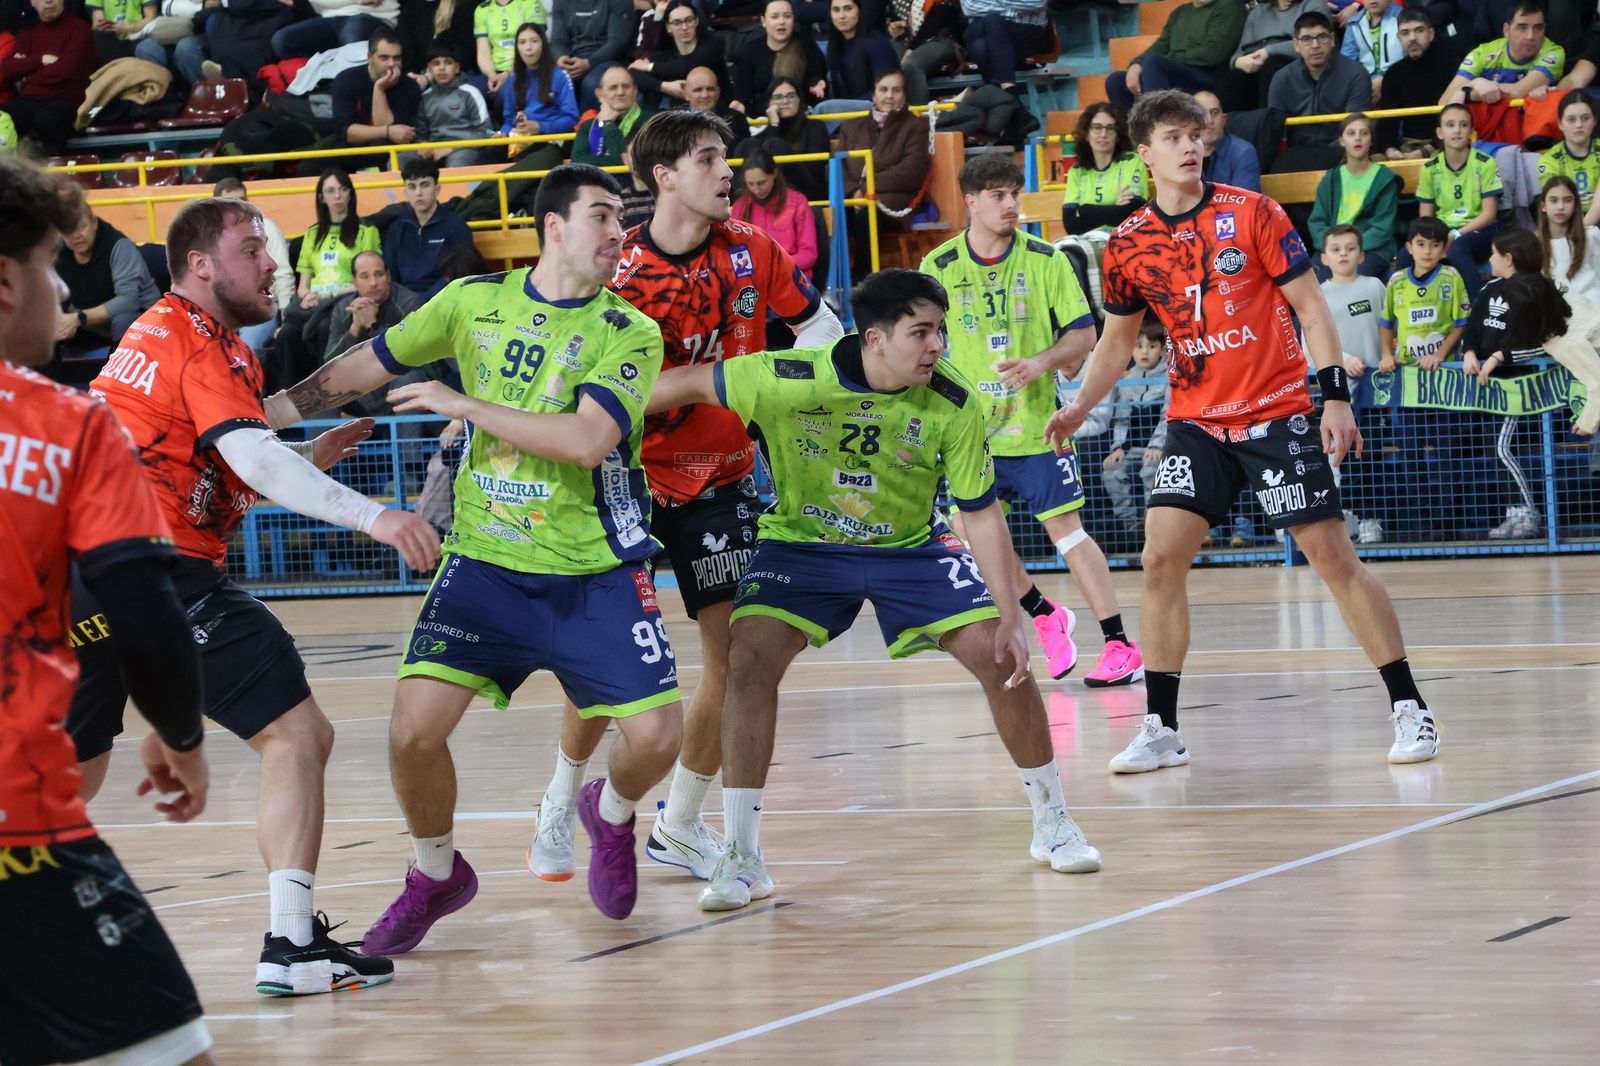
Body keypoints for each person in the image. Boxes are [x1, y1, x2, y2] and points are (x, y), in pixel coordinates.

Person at [267, 163, 684, 940]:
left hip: (594, 569)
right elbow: (363, 366)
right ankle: (436, 874)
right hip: (485, 562)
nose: (617, 233)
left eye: (620, 220)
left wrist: (463, 404)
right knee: (410, 733)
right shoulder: (471, 303)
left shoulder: (629, 331)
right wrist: (266, 416)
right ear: (553, 226)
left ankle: (611, 809)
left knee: (660, 738)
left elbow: (589, 441)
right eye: (601, 217)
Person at [641, 268, 1104, 911]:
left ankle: (1053, 820)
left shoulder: (954, 400)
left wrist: (1010, 613)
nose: (938, 344)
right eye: (922, 332)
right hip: (802, 546)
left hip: (909, 549)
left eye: (940, 329)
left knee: (1003, 658)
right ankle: (743, 858)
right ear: (875, 338)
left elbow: (981, 513)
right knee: (746, 659)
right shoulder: (785, 377)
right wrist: (587, 416)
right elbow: (684, 383)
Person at [73, 194, 439, 995]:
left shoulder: (167, 335)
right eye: (252, 248)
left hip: (77, 572)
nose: (273, 263)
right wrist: (374, 516)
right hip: (155, 568)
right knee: (297, 735)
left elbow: (229, 447)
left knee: (71, 776)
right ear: (201, 265)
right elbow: (254, 458)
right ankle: (291, 943)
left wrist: (303, 453)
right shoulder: (199, 343)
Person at [1044, 90, 1441, 773]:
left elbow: (1312, 309)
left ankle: (1410, 707)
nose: (1190, 146)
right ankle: (1162, 727)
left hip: (1279, 411)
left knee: (1332, 560)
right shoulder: (1129, 244)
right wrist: (1080, 407)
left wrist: (1334, 399)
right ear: (1144, 154)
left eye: (1195, 135)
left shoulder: (1252, 212)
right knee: (1160, 559)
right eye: (1172, 137)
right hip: (1196, 421)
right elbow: (1116, 343)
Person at [530, 111, 843, 884]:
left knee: (734, 657)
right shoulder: (617, 269)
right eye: (708, 159)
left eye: (725, 158)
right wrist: (700, 381)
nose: (726, 171)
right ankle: (559, 798)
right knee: (608, 668)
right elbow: (581, 403)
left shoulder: (753, 249)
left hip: (722, 475)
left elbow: (819, 331)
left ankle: (679, 821)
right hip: (623, 479)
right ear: (664, 177)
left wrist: (820, 391)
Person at [0, 153, 216, 1066]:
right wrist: (183, 734)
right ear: (5, 282)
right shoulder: (68, 423)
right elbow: (143, 607)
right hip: (19, 833)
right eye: (52, 263)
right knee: (173, 1051)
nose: (62, 286)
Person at [922, 154, 1144, 687]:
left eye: (1014, 194)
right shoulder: (939, 267)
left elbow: (1084, 336)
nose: (1011, 204)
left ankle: (1119, 644)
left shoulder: (1047, 260)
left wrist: (1039, 362)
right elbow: (924, 343)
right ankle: (1045, 614)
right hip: (972, 433)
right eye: (998, 195)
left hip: (1038, 426)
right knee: (969, 533)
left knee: (1067, 534)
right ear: (971, 202)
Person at [1378, 217, 1471, 539]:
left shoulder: (1451, 277)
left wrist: (1441, 355)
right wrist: (1386, 354)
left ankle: (1449, 524)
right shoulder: (1397, 282)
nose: (1427, 251)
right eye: (1420, 244)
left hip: (1444, 386)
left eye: (1434, 245)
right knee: (1411, 455)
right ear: (1409, 248)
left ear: (1444, 249)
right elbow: (1386, 322)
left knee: (1447, 455)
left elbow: (1461, 322)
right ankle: (1422, 522)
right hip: (1409, 387)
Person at [1460, 229, 1550, 539]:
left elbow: (1543, 342)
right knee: (1493, 450)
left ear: (1508, 259)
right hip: (1488, 388)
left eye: (1494, 255)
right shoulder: (1489, 289)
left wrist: (1500, 355)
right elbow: (1472, 329)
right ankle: (1514, 512)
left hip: (1517, 386)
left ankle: (1530, 511)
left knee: (1503, 448)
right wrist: (1469, 352)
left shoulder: (1537, 291)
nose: (1489, 260)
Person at [1319, 223, 1388, 544]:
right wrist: (1343, 358)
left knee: (1369, 454)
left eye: (1349, 248)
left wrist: (1390, 353)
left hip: (1377, 390)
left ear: (1362, 255)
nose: (1343, 253)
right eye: (1336, 249)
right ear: (1324, 258)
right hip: (1338, 392)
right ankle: (1347, 519)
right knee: (1340, 457)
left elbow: (1391, 326)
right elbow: (1310, 341)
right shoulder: (1318, 295)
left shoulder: (1375, 286)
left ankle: (1372, 519)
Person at [47, 199, 160, 385]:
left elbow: (128, 301)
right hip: (86, 323)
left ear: (94, 223)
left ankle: (115, 389)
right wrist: (59, 321)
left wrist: (77, 319)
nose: (76, 235)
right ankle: (46, 395)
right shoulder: (57, 251)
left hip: (136, 319)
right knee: (44, 327)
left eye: (81, 227)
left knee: (123, 319)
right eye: (68, 230)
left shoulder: (119, 246)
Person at [1403, 102, 1500, 298]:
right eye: (1450, 125)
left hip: (1478, 230)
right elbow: (1425, 219)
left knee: (1458, 249)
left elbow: (1489, 214)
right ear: (1440, 132)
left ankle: (1476, 309)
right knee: (1406, 253)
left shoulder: (1485, 163)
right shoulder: (1430, 168)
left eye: (1463, 125)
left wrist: (1455, 234)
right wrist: (1432, 237)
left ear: (1472, 131)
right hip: (1442, 230)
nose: (1457, 130)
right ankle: (1410, 308)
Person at [1267, 11, 1372, 172]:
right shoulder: (1282, 79)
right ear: (1296, 45)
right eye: (1307, 39)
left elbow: (1356, 127)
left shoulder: (1356, 74)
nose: (1315, 45)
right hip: (1297, 152)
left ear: (1332, 40)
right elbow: (1275, 131)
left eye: (1322, 37)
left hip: (1341, 151)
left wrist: (1322, 156)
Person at [1100, 320, 1172, 542]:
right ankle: (1131, 527)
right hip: (1133, 449)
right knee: (1111, 471)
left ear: (1162, 349)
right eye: (1139, 346)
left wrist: (1157, 446)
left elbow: (1167, 416)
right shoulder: (1126, 380)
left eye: (1151, 346)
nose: (1144, 352)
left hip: (1162, 448)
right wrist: (1118, 448)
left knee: (1151, 469)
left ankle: (1155, 529)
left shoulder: (1170, 377)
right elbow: (1121, 419)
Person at [1107, 0, 1247, 112]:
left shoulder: (1230, 6)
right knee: (1116, 81)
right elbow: (1160, 46)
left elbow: (1214, 53)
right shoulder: (1180, 13)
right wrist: (1137, 64)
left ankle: (1158, 126)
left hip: (1209, 77)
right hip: (1172, 73)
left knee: (1156, 64)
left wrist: (1169, 58)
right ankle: (1132, 140)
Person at [1308, 113, 1399, 279]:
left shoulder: (1385, 179)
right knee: (1314, 279)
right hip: (1333, 248)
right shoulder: (1332, 178)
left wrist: (1351, 248)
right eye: (1351, 134)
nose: (1358, 138)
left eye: (1364, 133)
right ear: (1342, 141)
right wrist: (1335, 247)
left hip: (1370, 248)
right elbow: (1317, 222)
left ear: (1371, 140)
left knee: (1356, 277)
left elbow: (1382, 228)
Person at [213, 177, 295, 358]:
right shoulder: (209, 237)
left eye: (243, 200)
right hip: (222, 308)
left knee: (246, 350)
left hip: (259, 307)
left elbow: (282, 275)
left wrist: (287, 321)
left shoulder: (267, 230)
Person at [0, 0, 95, 154]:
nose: (48, 1)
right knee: (3, 116)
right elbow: (8, 69)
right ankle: (9, 171)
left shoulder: (80, 29)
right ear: (32, 3)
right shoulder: (28, 33)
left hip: (66, 99)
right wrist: (41, 60)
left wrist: (28, 73)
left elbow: (67, 69)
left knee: (47, 118)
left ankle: (57, 171)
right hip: (29, 100)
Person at [1438, 0, 1563, 107]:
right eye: (1522, 27)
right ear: (1506, 30)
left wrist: (1470, 90)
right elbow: (1444, 101)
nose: (1530, 36)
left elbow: (1517, 91)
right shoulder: (1482, 54)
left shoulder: (1553, 53)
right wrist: (1476, 84)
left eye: (1538, 28)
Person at [382, 158, 474, 301]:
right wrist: (405, 303)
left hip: (443, 301)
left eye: (425, 185)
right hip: (404, 305)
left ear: (437, 189)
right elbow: (391, 276)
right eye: (412, 187)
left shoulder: (456, 226)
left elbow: (457, 275)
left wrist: (422, 301)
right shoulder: (396, 229)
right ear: (405, 191)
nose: (418, 193)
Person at [1376, 5, 1461, 156]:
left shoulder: (1453, 65)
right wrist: (1390, 150)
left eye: (1419, 30)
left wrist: (1424, 151)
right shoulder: (1393, 74)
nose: (1412, 38)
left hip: (1447, 142)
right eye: (1405, 33)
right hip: (1407, 145)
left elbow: (1459, 118)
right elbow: (1386, 125)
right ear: (1399, 38)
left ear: (1431, 34)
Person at [1215, 0, 1321, 111]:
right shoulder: (1257, 12)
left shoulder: (1312, 5)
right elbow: (1241, 50)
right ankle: (1234, 125)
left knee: (1273, 64)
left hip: (1292, 62)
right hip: (1256, 61)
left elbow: (1311, 43)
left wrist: (1268, 51)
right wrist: (1237, 61)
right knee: (1232, 78)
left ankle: (1267, 121)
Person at [1060, 103, 1149, 235]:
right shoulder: (1077, 171)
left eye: (1110, 128)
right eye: (1097, 127)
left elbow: (1132, 213)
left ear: (1118, 135)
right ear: (1086, 133)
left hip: (1126, 237)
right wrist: (1115, 208)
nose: (1103, 134)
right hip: (1088, 242)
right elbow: (1071, 225)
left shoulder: (1132, 161)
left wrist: (1086, 210)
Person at [330, 25, 423, 151]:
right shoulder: (346, 79)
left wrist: (380, 90)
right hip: (351, 148)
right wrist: (387, 131)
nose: (391, 64)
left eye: (396, 58)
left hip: (389, 150)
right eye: (384, 58)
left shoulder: (409, 86)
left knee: (381, 145)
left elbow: (395, 136)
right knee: (310, 166)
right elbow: (347, 133)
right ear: (369, 57)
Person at [733, 145, 818, 281]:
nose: (756, 189)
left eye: (762, 182)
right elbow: (736, 253)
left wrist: (773, 268)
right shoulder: (740, 207)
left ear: (774, 174)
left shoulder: (798, 203)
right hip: (755, 282)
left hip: (792, 279)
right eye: (750, 184)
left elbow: (808, 254)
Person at [742, 74, 832, 201]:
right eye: (778, 97)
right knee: (748, 144)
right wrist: (773, 124)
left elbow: (816, 171)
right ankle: (744, 196)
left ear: (799, 100)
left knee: (775, 145)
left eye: (791, 96)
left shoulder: (815, 126)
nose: (785, 101)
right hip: (769, 192)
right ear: (769, 104)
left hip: (806, 190)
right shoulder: (769, 130)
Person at [729, 0, 826, 116]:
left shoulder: (805, 45)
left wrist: (817, 84)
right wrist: (739, 103)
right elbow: (742, 92)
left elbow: (816, 76)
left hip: (799, 117)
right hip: (762, 119)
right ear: (763, 21)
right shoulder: (751, 49)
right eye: (774, 17)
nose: (781, 22)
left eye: (787, 16)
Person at [409, 43, 495, 167]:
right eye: (436, 63)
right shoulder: (424, 97)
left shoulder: (470, 93)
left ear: (457, 67)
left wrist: (452, 148)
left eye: (448, 62)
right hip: (433, 149)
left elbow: (487, 131)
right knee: (401, 158)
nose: (442, 68)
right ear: (429, 68)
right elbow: (420, 133)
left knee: (457, 162)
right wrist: (422, 145)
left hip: (465, 149)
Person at [495, 21, 580, 143]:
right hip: (520, 140)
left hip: (551, 141)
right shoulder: (513, 79)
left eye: (534, 41)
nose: (528, 48)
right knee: (488, 155)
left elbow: (571, 119)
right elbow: (510, 120)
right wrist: (503, 133)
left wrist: (540, 127)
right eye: (522, 42)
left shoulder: (560, 76)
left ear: (543, 45)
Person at [630, 1, 728, 106]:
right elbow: (633, 72)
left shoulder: (711, 46)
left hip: (715, 109)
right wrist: (664, 86)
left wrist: (649, 66)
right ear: (668, 27)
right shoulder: (667, 52)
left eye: (689, 20)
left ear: (697, 21)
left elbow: (687, 66)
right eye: (677, 23)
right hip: (679, 114)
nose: (684, 27)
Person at [548, 0, 637, 109]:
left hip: (610, 59)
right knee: (553, 81)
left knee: (592, 84)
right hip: (574, 57)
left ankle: (590, 124)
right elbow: (558, 40)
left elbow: (618, 43)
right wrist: (562, 58)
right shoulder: (560, 2)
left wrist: (588, 63)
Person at [1535, 174, 1600, 307]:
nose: (1560, 207)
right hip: (1555, 313)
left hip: (1592, 309)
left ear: (1575, 204)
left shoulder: (1591, 235)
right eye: (1554, 200)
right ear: (1543, 206)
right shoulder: (1533, 242)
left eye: (1568, 200)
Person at [1537, 92, 1600, 227]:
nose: (1579, 125)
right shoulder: (1549, 161)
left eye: (1585, 118)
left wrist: (1584, 230)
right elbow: (1556, 206)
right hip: (1567, 219)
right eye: (1571, 119)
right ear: (1560, 123)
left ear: (1594, 120)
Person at [572, 65, 652, 168]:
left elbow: (632, 160)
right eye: (613, 88)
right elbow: (578, 163)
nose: (620, 92)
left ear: (635, 91)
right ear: (600, 94)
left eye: (626, 86)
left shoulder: (650, 122)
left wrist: (607, 125)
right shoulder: (588, 126)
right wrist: (615, 161)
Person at [272, 0, 399, 61]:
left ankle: (355, 94)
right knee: (282, 41)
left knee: (350, 38)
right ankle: (325, 81)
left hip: (372, 16)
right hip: (330, 17)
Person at [475, 0, 549, 95]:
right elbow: (483, 52)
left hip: (525, 68)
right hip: (495, 70)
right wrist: (491, 75)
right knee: (470, 92)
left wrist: (507, 74)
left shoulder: (531, 2)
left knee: (504, 94)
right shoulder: (483, 8)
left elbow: (534, 48)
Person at [1194, 90, 1260, 192]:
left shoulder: (1243, 152)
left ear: (1223, 120)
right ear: (1189, 120)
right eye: (1201, 114)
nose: (1208, 120)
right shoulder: (1181, 153)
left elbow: (1244, 202)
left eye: (1214, 113)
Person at [1340, 0, 1401, 101]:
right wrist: (1363, 85)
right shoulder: (1354, 23)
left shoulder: (1404, 18)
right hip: (1365, 86)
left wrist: (1386, 80)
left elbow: (1412, 59)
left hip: (1399, 81)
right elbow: (1346, 64)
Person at [682, 65, 751, 144]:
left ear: (718, 93)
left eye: (710, 89)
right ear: (686, 94)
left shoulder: (737, 121)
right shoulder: (674, 124)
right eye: (698, 90)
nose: (705, 95)